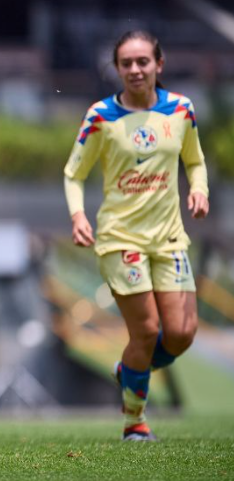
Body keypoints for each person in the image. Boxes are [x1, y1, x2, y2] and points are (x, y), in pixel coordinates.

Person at [63, 30, 209, 442]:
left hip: (169, 239)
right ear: (117, 68)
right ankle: (135, 423)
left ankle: (129, 370)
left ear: (158, 65)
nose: (134, 69)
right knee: (145, 332)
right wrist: (77, 215)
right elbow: (74, 173)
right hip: (119, 239)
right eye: (126, 63)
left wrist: (199, 189)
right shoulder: (101, 116)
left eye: (142, 61)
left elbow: (195, 161)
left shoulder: (181, 110)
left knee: (180, 335)